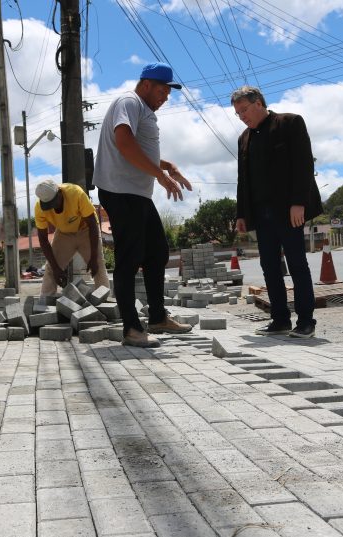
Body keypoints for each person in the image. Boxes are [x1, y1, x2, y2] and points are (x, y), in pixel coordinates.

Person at [94, 62, 194, 348]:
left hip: (136, 194)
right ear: (147, 84)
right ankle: (131, 329)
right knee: (130, 257)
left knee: (157, 252)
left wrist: (166, 165)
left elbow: (138, 147)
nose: (165, 98)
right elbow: (124, 143)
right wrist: (160, 176)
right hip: (121, 192)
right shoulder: (129, 102)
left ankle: (158, 317)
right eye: (162, 91)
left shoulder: (142, 109)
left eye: (168, 94)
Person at [231, 85, 324, 338]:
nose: (242, 117)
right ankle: (280, 319)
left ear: (259, 103)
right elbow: (243, 178)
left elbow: (304, 164)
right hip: (261, 213)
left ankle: (306, 322)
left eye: (244, 110)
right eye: (238, 113)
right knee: (269, 266)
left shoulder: (290, 123)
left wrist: (299, 202)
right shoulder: (244, 138)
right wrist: (241, 214)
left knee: (297, 264)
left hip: (289, 210)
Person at [34, 180, 109, 296]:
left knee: (98, 265)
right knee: (51, 269)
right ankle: (45, 301)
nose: (52, 207)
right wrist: (56, 268)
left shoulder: (75, 193)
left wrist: (93, 257)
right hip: (64, 234)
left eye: (54, 203)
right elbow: (43, 240)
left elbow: (92, 224)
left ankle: (104, 300)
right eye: (48, 205)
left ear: (59, 193)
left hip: (86, 230)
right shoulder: (39, 208)